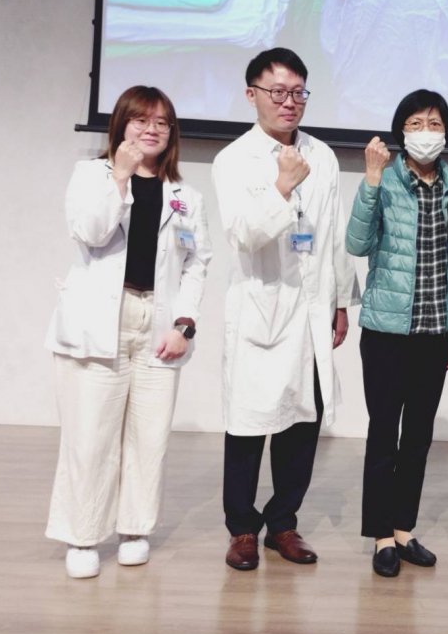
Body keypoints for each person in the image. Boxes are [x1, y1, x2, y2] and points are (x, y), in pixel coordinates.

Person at [45, 86, 212, 579]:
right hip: (102, 321)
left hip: (157, 322)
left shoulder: (186, 197)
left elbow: (197, 264)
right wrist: (120, 176)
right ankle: (83, 536)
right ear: (121, 124)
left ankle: (135, 529)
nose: (151, 129)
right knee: (90, 436)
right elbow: (91, 232)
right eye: (141, 120)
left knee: (149, 436)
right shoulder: (91, 175)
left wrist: (184, 324)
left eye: (161, 122)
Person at [212, 48, 358, 571]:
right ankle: (241, 528)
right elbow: (243, 235)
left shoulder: (323, 154)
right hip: (261, 306)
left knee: (302, 423)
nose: (289, 102)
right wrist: (282, 185)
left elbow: (334, 233)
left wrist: (341, 300)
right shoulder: (234, 159)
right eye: (277, 92)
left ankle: (283, 523)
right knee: (249, 423)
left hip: (312, 309)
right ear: (252, 95)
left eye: (298, 92)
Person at [345, 89, 448, 578]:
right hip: (387, 331)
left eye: (434, 124)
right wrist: (371, 179)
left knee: (418, 437)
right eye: (416, 124)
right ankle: (380, 536)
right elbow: (357, 243)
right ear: (401, 131)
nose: (425, 133)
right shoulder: (385, 180)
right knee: (384, 434)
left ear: (447, 133)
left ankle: (403, 529)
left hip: (435, 331)